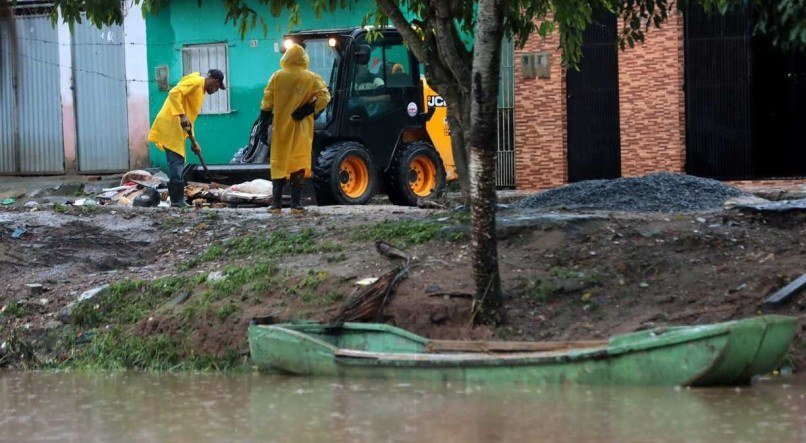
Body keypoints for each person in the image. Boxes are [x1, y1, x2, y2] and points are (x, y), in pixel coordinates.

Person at [260, 43, 331, 215]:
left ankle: (276, 205)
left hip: (281, 127)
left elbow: (267, 101)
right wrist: (308, 109)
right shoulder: (311, 77)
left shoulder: (277, 76)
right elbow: (325, 96)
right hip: (302, 127)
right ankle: (296, 205)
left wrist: (264, 123)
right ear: (304, 59)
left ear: (286, 58)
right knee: (299, 162)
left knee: (278, 161)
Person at [148, 69, 225, 207]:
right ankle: (177, 201)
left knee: (178, 161)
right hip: (170, 125)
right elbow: (173, 93)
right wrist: (181, 115)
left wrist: (193, 141)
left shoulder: (200, 91)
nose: (215, 91)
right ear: (215, 80)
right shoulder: (196, 82)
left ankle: (177, 200)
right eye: (217, 88)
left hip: (176, 128)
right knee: (176, 163)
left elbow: (189, 120)